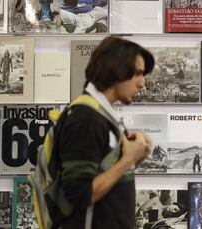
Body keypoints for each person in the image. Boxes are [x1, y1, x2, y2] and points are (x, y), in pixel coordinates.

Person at [56, 36, 155, 229]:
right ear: (116, 69)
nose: (142, 83)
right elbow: (80, 195)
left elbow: (106, 178)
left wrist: (135, 156)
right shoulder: (85, 118)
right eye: (138, 74)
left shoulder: (101, 115)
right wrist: (127, 159)